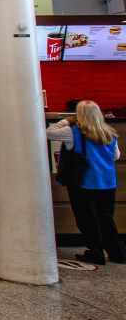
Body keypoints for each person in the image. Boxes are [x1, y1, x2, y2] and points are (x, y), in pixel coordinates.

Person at [47, 100, 124, 265]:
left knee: (87, 219)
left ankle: (95, 252)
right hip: (107, 183)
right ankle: (117, 252)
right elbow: (115, 156)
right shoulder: (109, 133)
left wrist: (67, 120)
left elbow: (49, 132)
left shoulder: (72, 131)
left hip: (83, 182)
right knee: (106, 218)